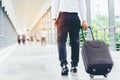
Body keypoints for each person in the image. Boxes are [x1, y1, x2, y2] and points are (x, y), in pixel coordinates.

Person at [51, 0, 88, 75]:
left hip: (63, 17)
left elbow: (55, 3)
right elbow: (82, 5)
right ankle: (74, 65)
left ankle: (64, 65)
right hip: (75, 17)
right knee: (75, 42)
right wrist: (84, 20)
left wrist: (54, 17)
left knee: (61, 41)